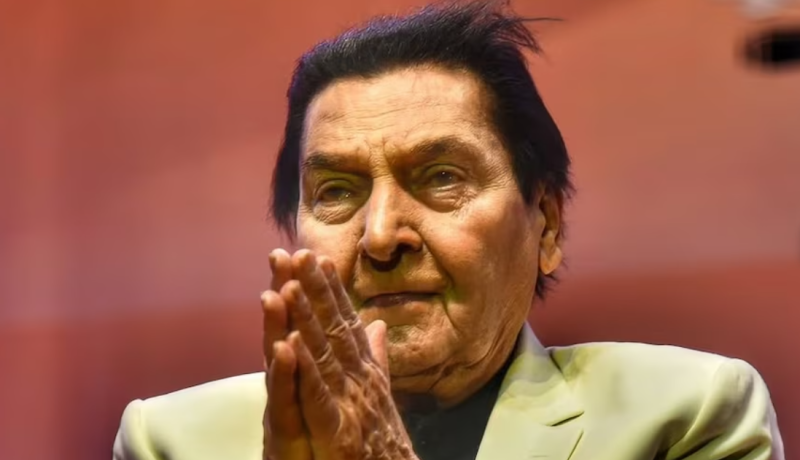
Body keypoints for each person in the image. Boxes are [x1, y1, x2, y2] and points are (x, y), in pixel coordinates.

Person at [112, 2, 785, 459]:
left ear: (546, 226)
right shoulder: (174, 441)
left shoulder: (686, 413)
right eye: (336, 192)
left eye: (440, 178)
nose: (381, 236)